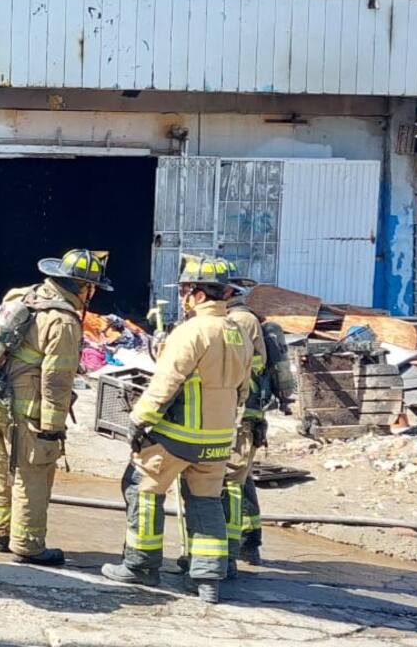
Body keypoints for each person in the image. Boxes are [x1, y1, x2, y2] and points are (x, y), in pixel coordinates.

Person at [102, 255, 252, 604]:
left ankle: (140, 565)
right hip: (217, 441)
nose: (184, 297)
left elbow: (165, 383)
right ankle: (208, 579)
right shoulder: (239, 332)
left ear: (199, 295)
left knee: (143, 488)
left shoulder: (191, 331)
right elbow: (243, 388)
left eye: (186, 290)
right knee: (205, 501)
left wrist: (139, 420)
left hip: (177, 437)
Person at [0, 249, 111, 566]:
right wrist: (51, 430)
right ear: (84, 287)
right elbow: (56, 381)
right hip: (27, 411)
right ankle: (27, 545)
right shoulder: (63, 322)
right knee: (32, 475)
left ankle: (1, 533)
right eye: (92, 288)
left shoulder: (22, 295)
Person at [216, 258, 270, 572]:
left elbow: (246, 368)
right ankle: (249, 542)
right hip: (241, 410)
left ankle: (233, 548)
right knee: (241, 478)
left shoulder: (240, 320)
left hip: (241, 413)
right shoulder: (236, 318)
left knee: (231, 482)